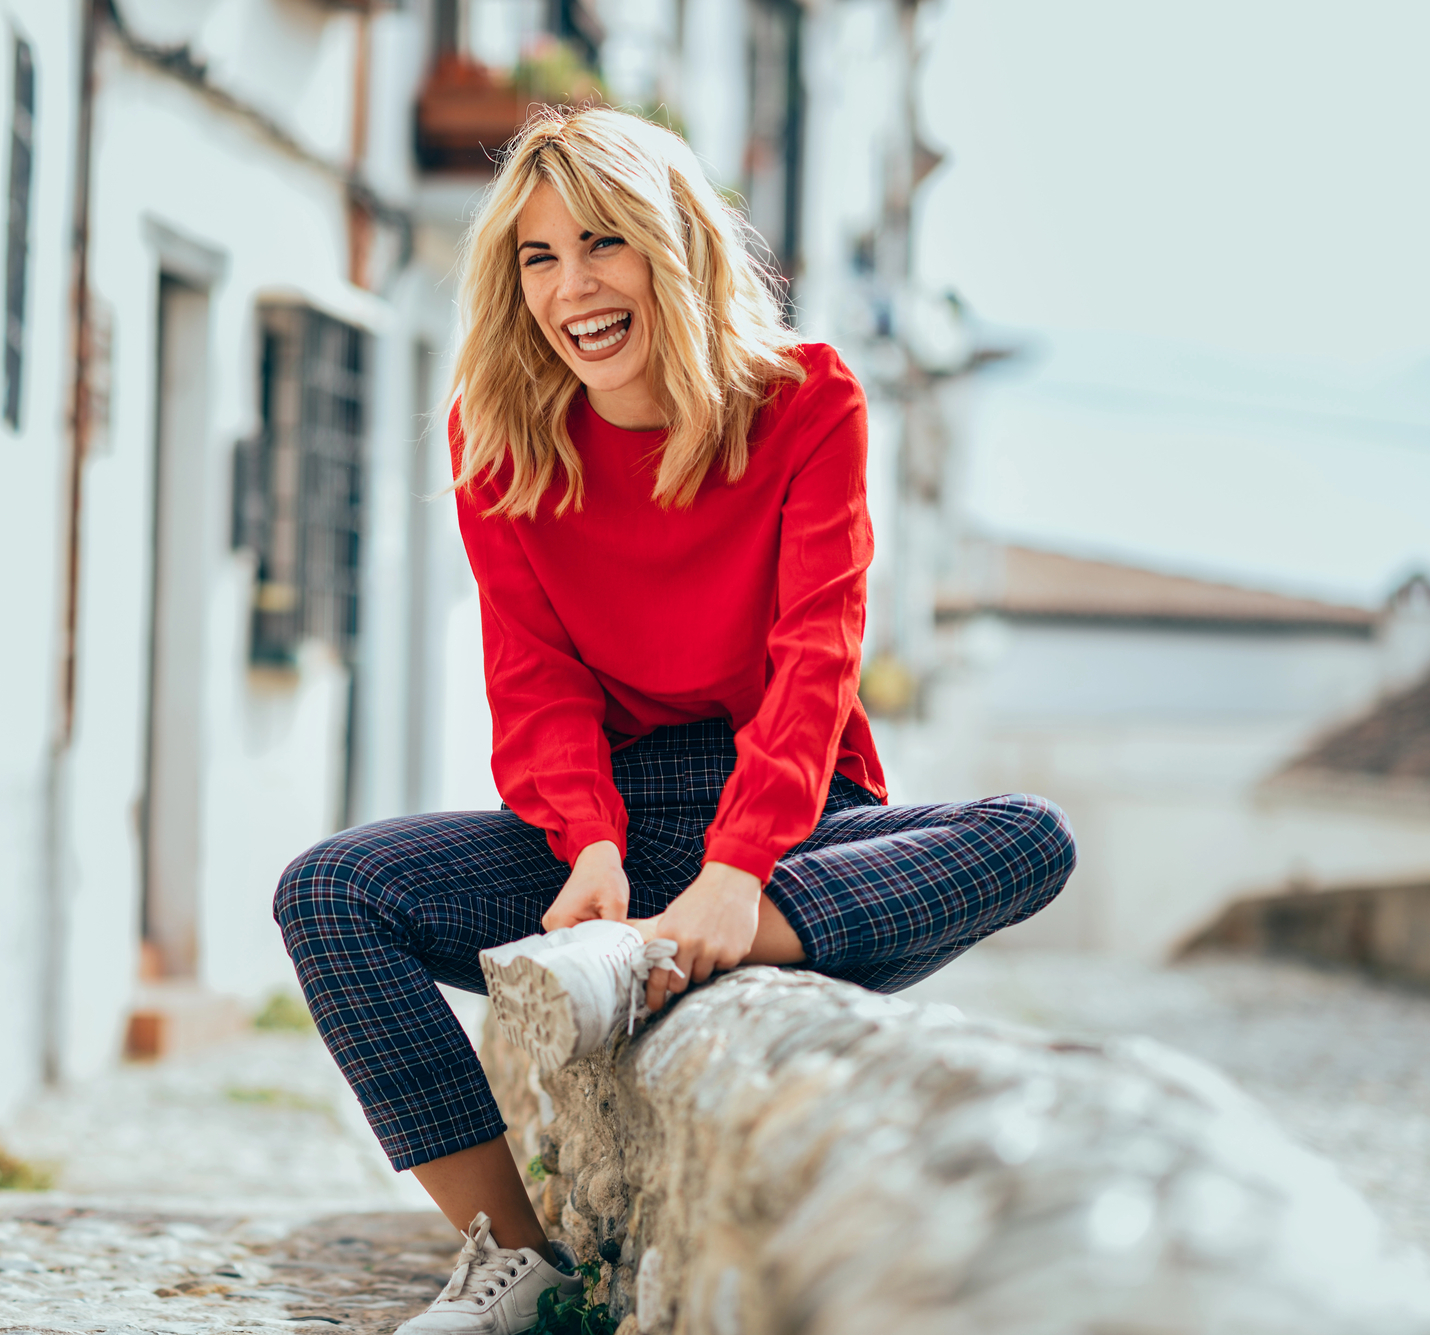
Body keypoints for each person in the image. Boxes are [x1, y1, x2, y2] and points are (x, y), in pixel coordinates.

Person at [274, 106, 1075, 1335]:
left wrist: (737, 883)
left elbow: (817, 656)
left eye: (601, 244)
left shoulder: (809, 400)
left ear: (674, 244)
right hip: (605, 831)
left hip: (794, 836)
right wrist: (587, 848)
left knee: (1029, 835)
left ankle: (723, 947)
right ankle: (517, 1260)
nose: (570, 289)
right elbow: (531, 678)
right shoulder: (497, 440)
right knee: (328, 893)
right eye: (536, 259)